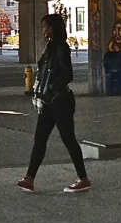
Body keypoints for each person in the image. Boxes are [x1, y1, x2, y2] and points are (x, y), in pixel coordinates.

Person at [19, 13, 91, 193]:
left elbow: (68, 74)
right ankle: (29, 179)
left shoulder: (61, 48)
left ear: (51, 29)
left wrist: (51, 87)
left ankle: (83, 179)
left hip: (60, 102)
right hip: (48, 102)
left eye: (44, 26)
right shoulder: (50, 47)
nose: (42, 30)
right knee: (40, 139)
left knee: (68, 139)